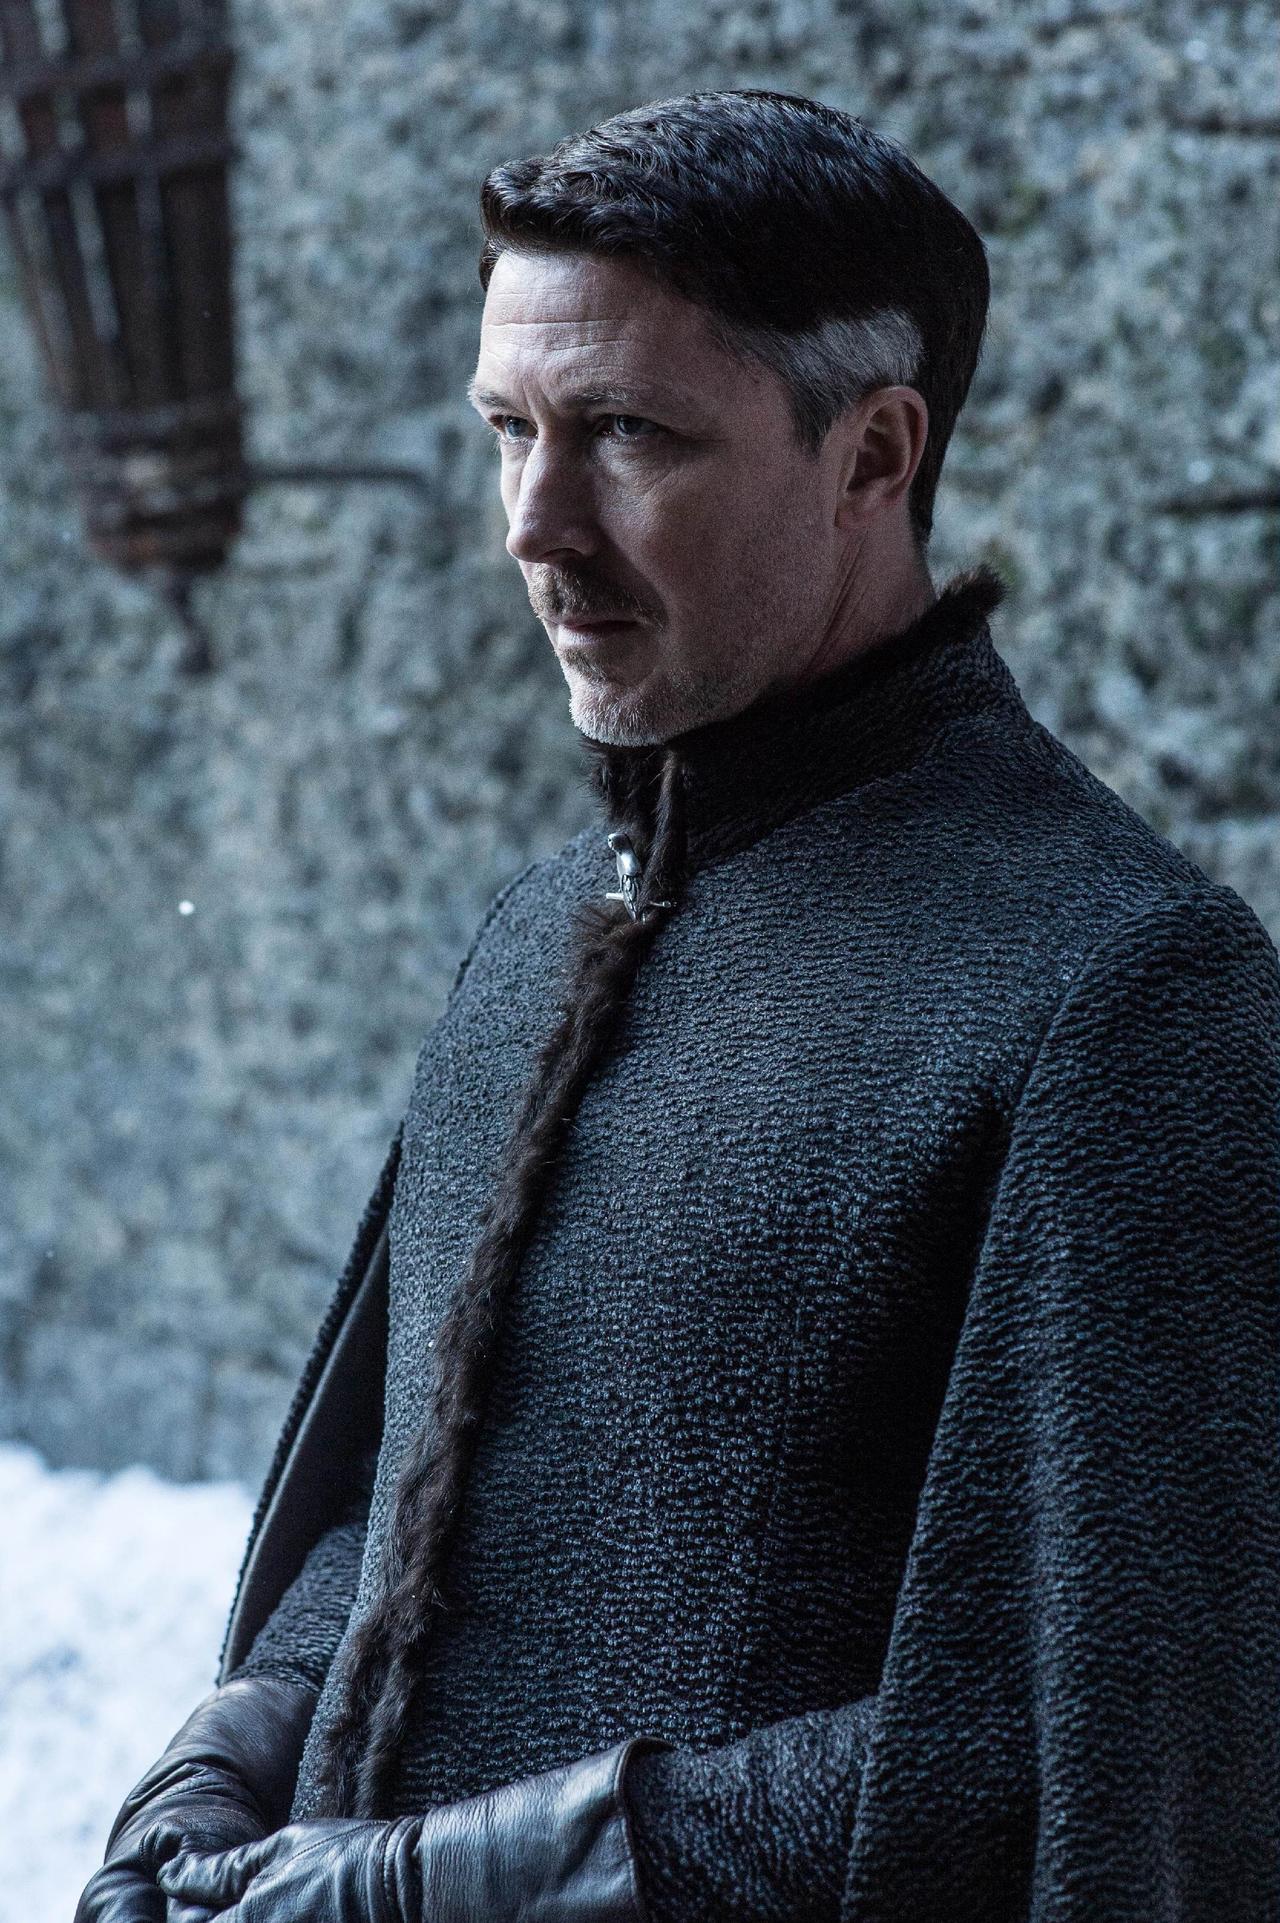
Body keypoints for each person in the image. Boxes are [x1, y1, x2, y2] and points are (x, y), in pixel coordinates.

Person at [76, 88, 1280, 1923]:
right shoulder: (543, 928)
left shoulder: (1120, 997)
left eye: (627, 434)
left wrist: (449, 1888)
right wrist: (226, 1761)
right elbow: (406, 1512)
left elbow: (1093, 1743)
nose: (535, 526)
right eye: (509, 431)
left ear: (874, 453)